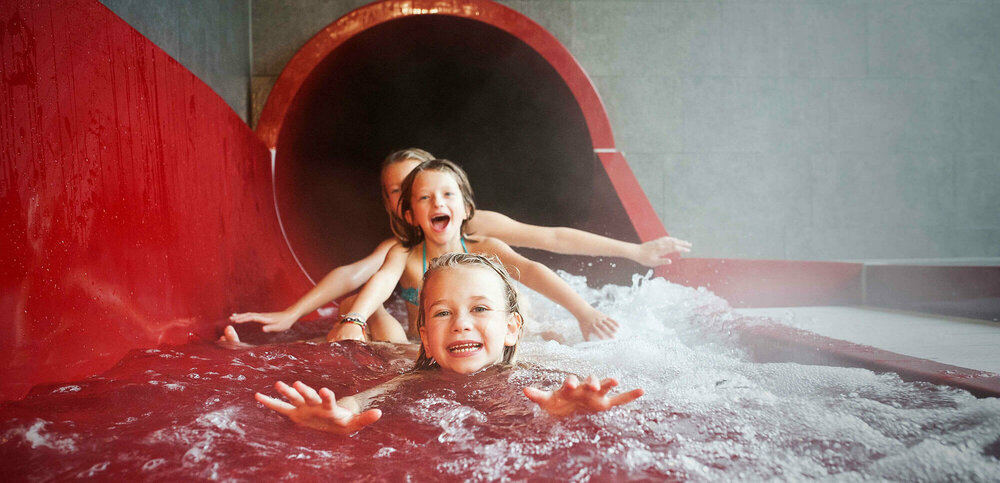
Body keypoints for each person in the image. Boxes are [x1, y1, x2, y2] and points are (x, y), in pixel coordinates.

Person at [227, 148, 691, 336]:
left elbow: (547, 243)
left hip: (491, 325)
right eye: (406, 191)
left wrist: (634, 254)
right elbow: (360, 277)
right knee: (365, 316)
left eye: (436, 189)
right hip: (431, 338)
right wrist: (297, 314)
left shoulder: (478, 231)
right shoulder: (401, 250)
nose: (427, 200)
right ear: (399, 206)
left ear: (460, 200)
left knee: (522, 317)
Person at [254, 253, 644, 434]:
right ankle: (364, 313)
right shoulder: (415, 380)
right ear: (424, 336)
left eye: (479, 309)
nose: (460, 324)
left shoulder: (538, 376)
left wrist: (571, 411)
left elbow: (575, 395)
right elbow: (357, 403)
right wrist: (331, 416)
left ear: (511, 329)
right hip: (399, 350)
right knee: (384, 337)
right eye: (441, 314)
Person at [329, 159, 621, 342]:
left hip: (483, 336)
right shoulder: (404, 255)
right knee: (358, 310)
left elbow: (531, 270)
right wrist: (355, 320)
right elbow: (380, 282)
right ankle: (378, 342)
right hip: (426, 343)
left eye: (447, 195)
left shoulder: (485, 247)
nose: (437, 204)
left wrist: (584, 312)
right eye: (425, 198)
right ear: (410, 215)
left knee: (535, 331)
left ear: (466, 208)